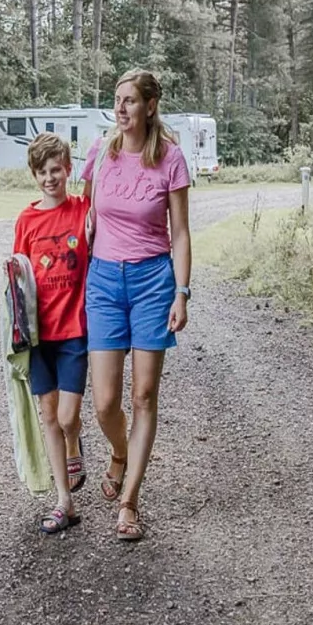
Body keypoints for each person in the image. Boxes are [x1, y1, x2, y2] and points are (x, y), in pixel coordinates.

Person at [82, 70, 192, 543]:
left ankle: (129, 502)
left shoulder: (171, 159)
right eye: (117, 100)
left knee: (144, 396)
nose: (121, 109)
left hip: (152, 282)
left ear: (150, 106)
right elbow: (83, 215)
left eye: (130, 101)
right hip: (104, 282)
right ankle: (121, 452)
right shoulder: (100, 156)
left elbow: (181, 233)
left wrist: (182, 292)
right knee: (105, 402)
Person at [12, 133, 91, 534]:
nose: (49, 178)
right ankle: (65, 501)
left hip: (75, 329)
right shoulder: (27, 220)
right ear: (34, 174)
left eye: (56, 170)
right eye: (42, 172)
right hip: (39, 335)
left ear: (68, 169)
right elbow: (19, 276)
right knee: (49, 415)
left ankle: (76, 442)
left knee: (67, 415)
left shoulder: (81, 210)